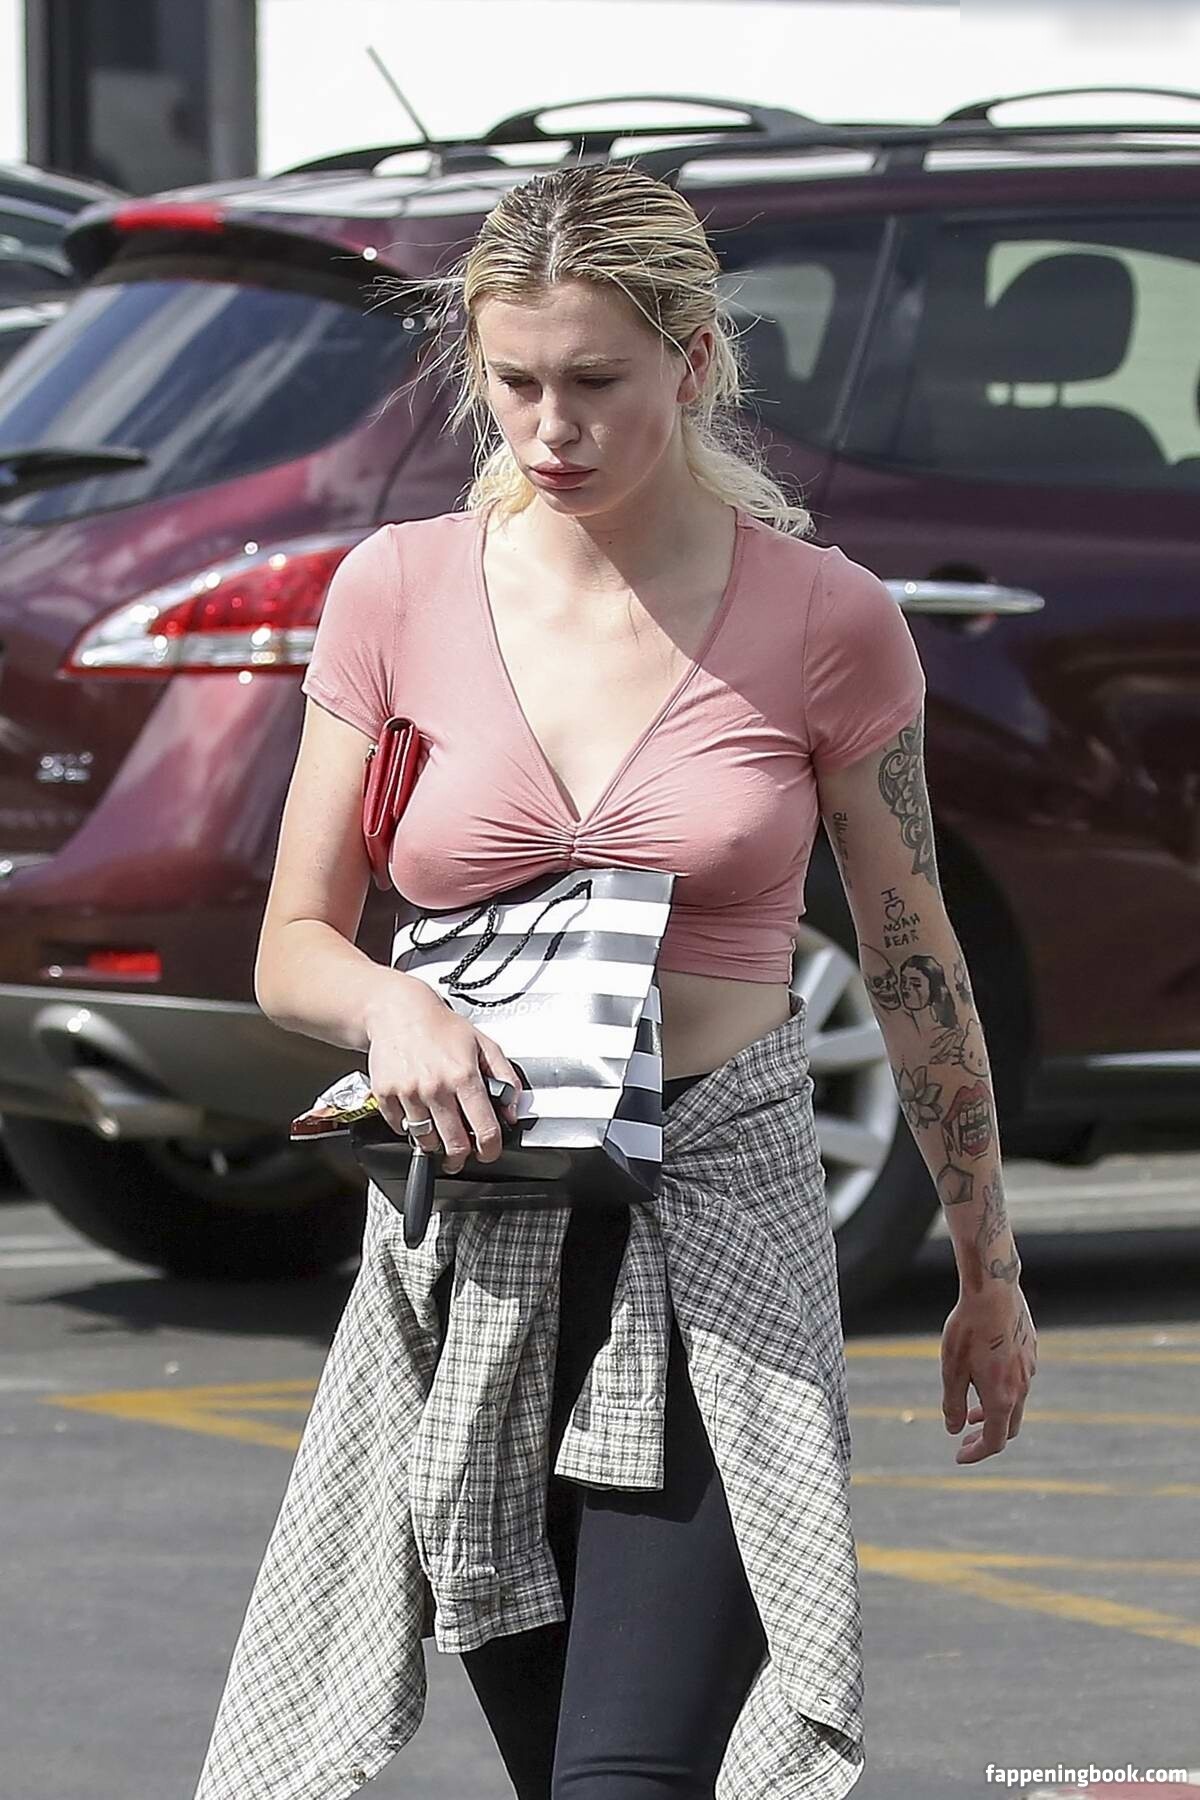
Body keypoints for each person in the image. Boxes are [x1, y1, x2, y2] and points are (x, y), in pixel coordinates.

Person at [192, 163, 1037, 1800]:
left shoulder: (827, 620)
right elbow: (294, 944)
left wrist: (987, 1270)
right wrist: (393, 1006)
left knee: (628, 1778)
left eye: (595, 381)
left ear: (694, 361)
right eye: (515, 384)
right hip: (479, 1247)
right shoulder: (396, 592)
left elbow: (915, 959)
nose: (551, 428)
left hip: (720, 1225)